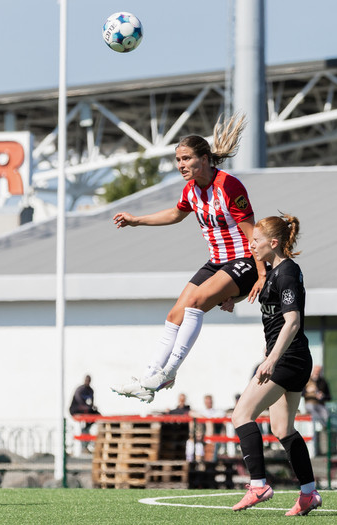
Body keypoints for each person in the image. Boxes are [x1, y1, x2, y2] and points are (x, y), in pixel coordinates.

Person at [111, 114, 266, 403]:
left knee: (194, 303)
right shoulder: (191, 189)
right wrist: (136, 220)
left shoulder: (228, 186)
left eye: (186, 158)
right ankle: (148, 379)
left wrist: (262, 274)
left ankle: (169, 372)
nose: (180, 165)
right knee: (175, 315)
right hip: (217, 263)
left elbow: (253, 234)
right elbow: (175, 214)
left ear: (204, 159)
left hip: (243, 261)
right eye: (178, 160)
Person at [230, 214, 322, 516]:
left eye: (255, 240)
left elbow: (292, 321)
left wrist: (270, 359)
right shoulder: (272, 273)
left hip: (287, 359)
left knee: (241, 414)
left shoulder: (287, 272)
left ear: (273, 242)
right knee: (282, 428)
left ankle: (258, 485)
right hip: (293, 358)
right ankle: (308, 493)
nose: (251, 244)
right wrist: (233, 299)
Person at [302, 365, 331, 455]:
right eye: (316, 371)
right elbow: (301, 393)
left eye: (319, 371)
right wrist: (308, 391)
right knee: (312, 409)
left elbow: (329, 397)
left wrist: (322, 396)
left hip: (320, 404)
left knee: (326, 413)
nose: (317, 373)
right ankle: (322, 424)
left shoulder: (323, 382)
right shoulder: (307, 381)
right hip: (310, 403)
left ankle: (326, 427)